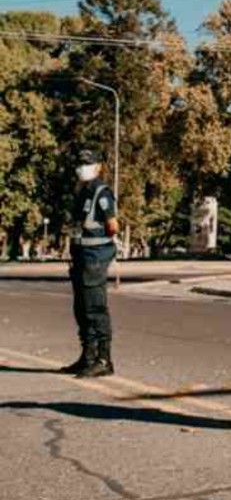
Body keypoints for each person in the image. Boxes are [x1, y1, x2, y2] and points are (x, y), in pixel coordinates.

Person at [60, 149, 120, 379]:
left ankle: (104, 360)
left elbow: (112, 225)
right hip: (81, 255)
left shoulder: (101, 192)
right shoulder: (83, 191)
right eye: (80, 163)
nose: (81, 167)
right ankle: (87, 356)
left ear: (97, 167)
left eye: (86, 163)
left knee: (95, 308)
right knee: (81, 308)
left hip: (95, 256)